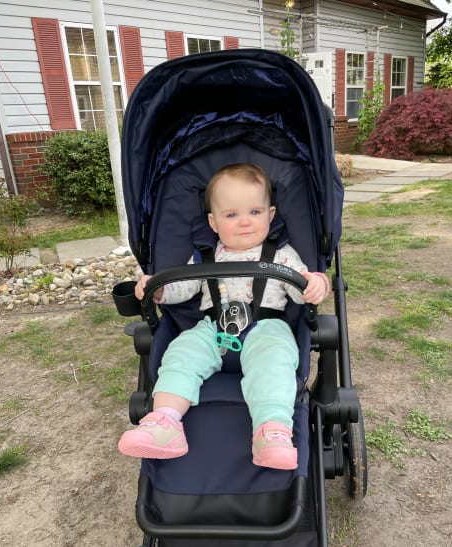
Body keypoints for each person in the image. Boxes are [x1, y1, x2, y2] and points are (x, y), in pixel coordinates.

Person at [117, 163, 330, 470]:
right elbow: (185, 287)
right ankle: (166, 421)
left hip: (266, 328)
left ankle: (272, 431)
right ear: (213, 222)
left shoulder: (283, 255)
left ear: (271, 215)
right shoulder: (206, 254)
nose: (244, 222)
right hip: (212, 328)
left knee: (275, 362)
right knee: (181, 352)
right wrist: (160, 291)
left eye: (255, 213)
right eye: (231, 215)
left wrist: (315, 284)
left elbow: (300, 288)